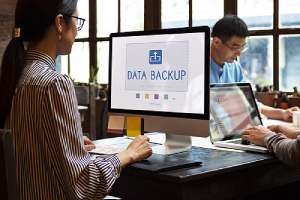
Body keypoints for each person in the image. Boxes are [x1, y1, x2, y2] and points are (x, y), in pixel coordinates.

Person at [0, 0, 152, 199]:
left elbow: (25, 144)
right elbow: (84, 184)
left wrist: (67, 142)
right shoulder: (53, 83)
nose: (78, 30)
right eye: (77, 21)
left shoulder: (16, 76)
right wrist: (126, 155)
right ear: (60, 23)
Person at [210, 15, 299, 122]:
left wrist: (282, 113)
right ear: (216, 42)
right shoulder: (197, 67)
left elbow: (249, 103)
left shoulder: (234, 67)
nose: (239, 53)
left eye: (242, 47)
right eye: (235, 47)